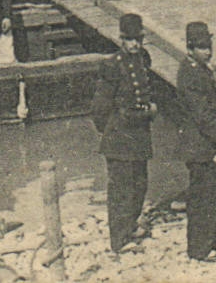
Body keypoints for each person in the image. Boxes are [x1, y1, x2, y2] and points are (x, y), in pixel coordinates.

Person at [92, 13, 156, 254]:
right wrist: (111, 131)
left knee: (140, 184)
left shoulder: (143, 59)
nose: (135, 44)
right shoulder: (112, 65)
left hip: (139, 134)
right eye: (130, 40)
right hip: (119, 137)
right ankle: (119, 240)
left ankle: (130, 225)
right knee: (121, 189)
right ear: (121, 39)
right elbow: (99, 108)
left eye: (138, 39)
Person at [178, 21, 216, 263]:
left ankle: (213, 242)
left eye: (209, 46)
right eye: (201, 47)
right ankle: (199, 249)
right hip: (198, 146)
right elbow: (203, 117)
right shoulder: (190, 74)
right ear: (190, 49)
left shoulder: (199, 69)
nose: (207, 52)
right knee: (203, 198)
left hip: (206, 143)